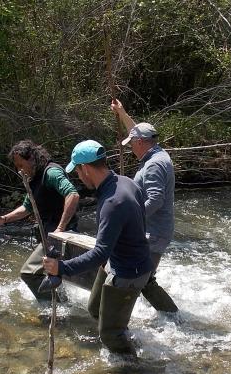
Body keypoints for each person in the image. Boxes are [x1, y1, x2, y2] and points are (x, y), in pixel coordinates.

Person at [42, 140, 154, 356]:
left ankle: (136, 372)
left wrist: (61, 268)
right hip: (121, 260)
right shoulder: (125, 182)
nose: (79, 177)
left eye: (77, 171)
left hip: (129, 272)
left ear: (85, 168)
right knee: (94, 309)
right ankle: (124, 333)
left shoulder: (113, 202)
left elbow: (99, 253)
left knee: (109, 334)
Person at [110, 99, 178, 313]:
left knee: (139, 279)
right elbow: (137, 131)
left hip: (153, 233)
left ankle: (171, 316)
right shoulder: (156, 152)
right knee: (145, 278)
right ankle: (172, 316)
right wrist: (122, 112)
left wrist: (132, 220)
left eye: (131, 143)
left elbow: (156, 200)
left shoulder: (154, 165)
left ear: (140, 143)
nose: (130, 147)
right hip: (154, 231)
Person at [0, 140, 79, 300]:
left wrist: (60, 229)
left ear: (31, 158)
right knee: (45, 272)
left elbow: (72, 194)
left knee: (28, 273)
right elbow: (26, 208)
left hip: (61, 236)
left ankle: (54, 307)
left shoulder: (51, 173)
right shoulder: (34, 178)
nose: (19, 170)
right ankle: (61, 301)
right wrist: (3, 219)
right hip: (49, 235)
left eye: (21, 165)